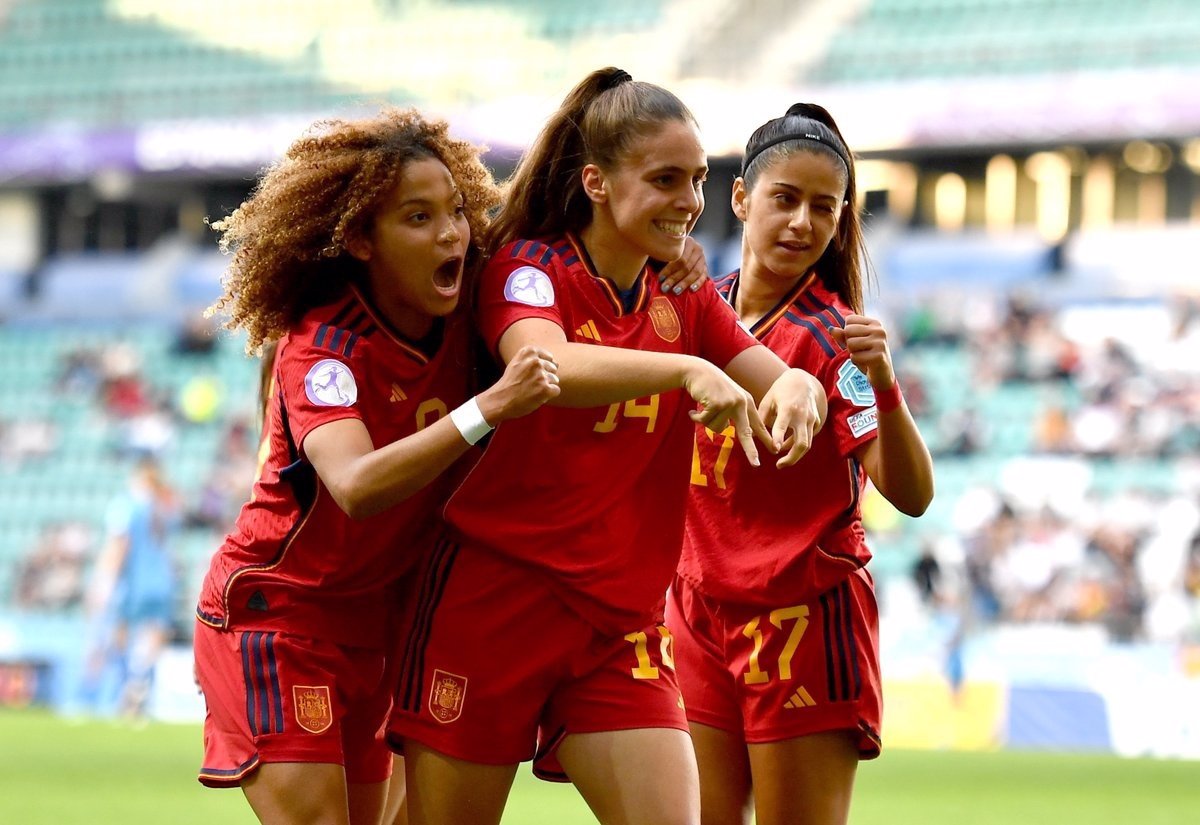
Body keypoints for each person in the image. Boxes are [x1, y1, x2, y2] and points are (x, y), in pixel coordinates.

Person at [385, 67, 827, 825]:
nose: (688, 201)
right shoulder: (529, 270)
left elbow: (774, 376)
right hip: (494, 602)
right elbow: (546, 366)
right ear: (595, 180)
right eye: (664, 179)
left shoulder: (682, 292)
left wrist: (797, 389)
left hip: (619, 624)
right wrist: (688, 371)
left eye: (696, 179)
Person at [192, 107, 562, 825]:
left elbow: (562, 258)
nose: (453, 232)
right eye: (419, 218)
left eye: (457, 210)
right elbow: (357, 486)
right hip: (278, 616)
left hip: (381, 628)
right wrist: (489, 406)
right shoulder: (323, 345)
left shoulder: (470, 315)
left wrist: (667, 255)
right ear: (362, 238)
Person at [667, 103, 935, 825]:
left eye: (825, 208)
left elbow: (910, 494)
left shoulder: (835, 338)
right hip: (695, 613)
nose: (802, 223)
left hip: (800, 621)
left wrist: (884, 385)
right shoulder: (693, 314)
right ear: (740, 198)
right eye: (785, 199)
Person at [82, 457, 181, 719]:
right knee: (154, 632)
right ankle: (139, 682)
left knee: (120, 630)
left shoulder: (127, 505)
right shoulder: (165, 507)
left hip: (133, 580)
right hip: (162, 580)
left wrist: (103, 581)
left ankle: (124, 686)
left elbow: (119, 545)